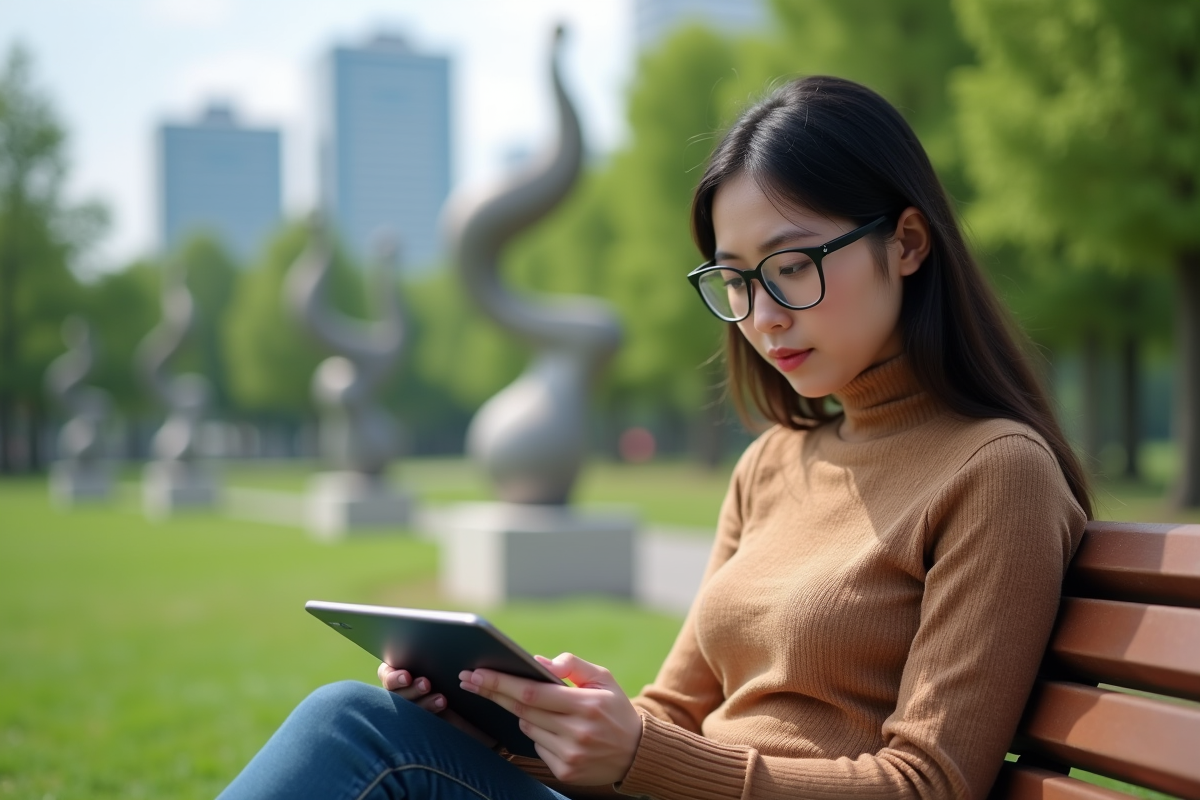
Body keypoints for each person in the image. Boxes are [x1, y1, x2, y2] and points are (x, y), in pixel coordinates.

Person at [217, 75, 1090, 800]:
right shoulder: (773, 464)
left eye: (791, 267)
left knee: (354, 732)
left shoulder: (995, 473)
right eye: (736, 280)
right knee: (378, 724)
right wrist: (519, 719)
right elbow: (672, 712)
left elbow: (928, 784)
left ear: (905, 243)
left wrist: (644, 755)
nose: (761, 316)